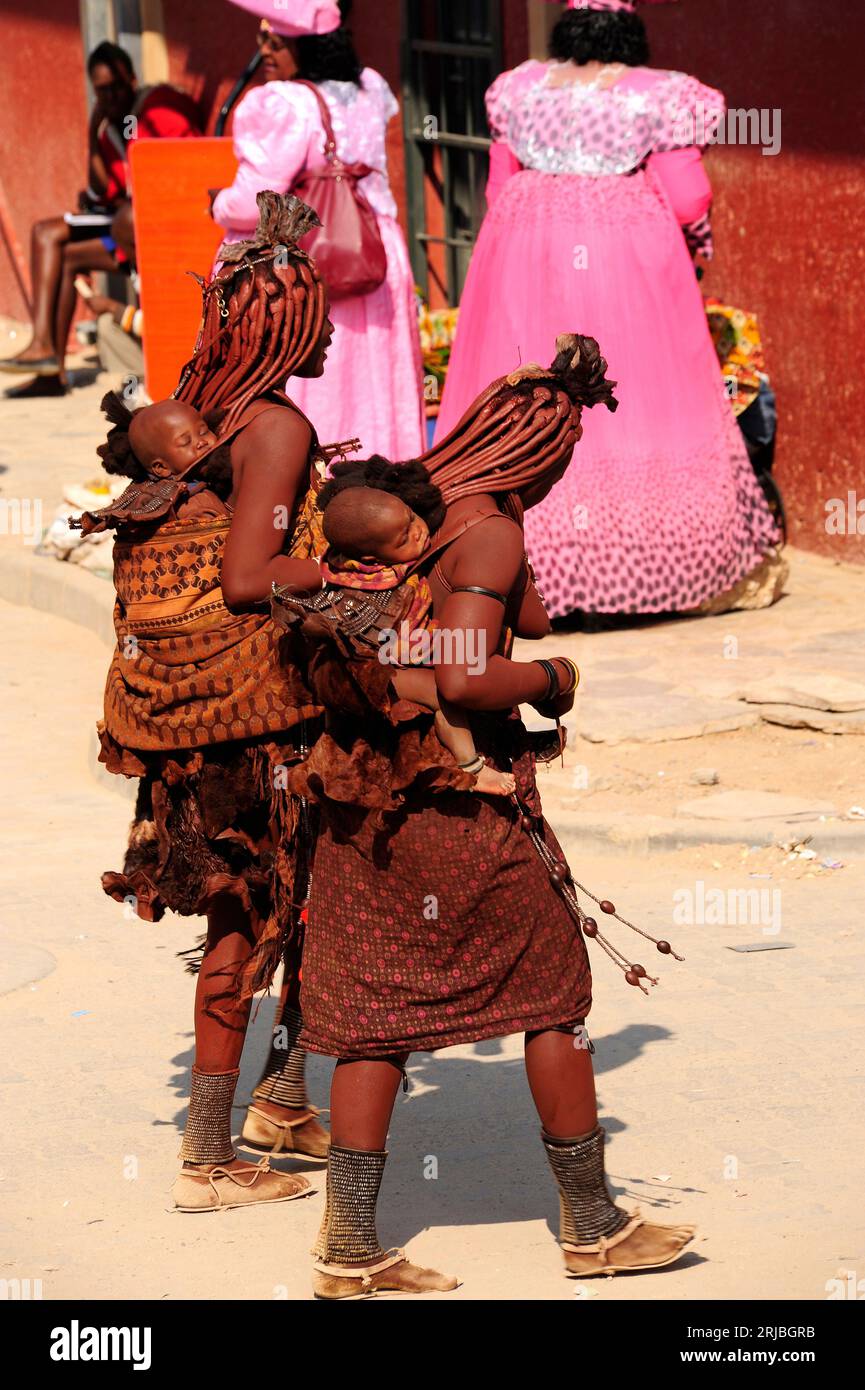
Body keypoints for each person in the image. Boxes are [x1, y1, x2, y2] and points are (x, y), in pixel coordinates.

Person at [284, 334, 695, 1298]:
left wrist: (523, 596)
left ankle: (348, 1249)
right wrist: (555, 678)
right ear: (540, 452)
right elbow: (469, 676)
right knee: (555, 994)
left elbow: (517, 613)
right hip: (450, 808)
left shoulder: (421, 507)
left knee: (374, 1018)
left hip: (358, 796)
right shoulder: (486, 531)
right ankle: (592, 1226)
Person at [87, 193, 340, 1211]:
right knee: (247, 911)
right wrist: (343, 569)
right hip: (250, 720)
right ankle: (207, 1159)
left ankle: (281, 1096)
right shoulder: (275, 424)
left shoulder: (204, 403)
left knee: (300, 897)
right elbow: (249, 576)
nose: (328, 330)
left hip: (194, 714)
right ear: (284, 327)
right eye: (315, 314)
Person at [435, 0, 785, 619]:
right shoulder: (660, 94)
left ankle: (528, 563)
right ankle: (649, 565)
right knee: (641, 395)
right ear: (630, 27)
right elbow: (686, 197)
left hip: (521, 249)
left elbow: (495, 188)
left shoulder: (517, 88)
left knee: (529, 385)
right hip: (625, 255)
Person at [212, 0, 425, 458]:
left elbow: (256, 201)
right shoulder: (369, 87)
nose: (265, 49)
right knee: (373, 378)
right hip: (373, 250)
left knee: (315, 371)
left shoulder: (284, 103)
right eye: (262, 38)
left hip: (315, 257)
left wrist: (218, 205)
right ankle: (377, 480)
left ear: (306, 45)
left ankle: (308, 479)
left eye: (276, 40)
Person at [299, 473, 522, 795]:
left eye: (412, 517)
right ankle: (472, 768)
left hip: (410, 644)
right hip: (379, 665)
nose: (418, 532)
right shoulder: (372, 580)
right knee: (445, 693)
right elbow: (383, 644)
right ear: (370, 559)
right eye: (403, 539)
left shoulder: (372, 550)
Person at [0, 42, 200, 395]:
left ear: (131, 79)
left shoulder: (158, 108)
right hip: (126, 225)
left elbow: (189, 161)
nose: (108, 98)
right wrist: (94, 134)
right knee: (63, 254)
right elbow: (103, 190)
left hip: (161, 223)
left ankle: (43, 344)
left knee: (46, 232)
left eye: (114, 88)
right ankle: (51, 370)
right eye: (100, 92)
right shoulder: (114, 127)